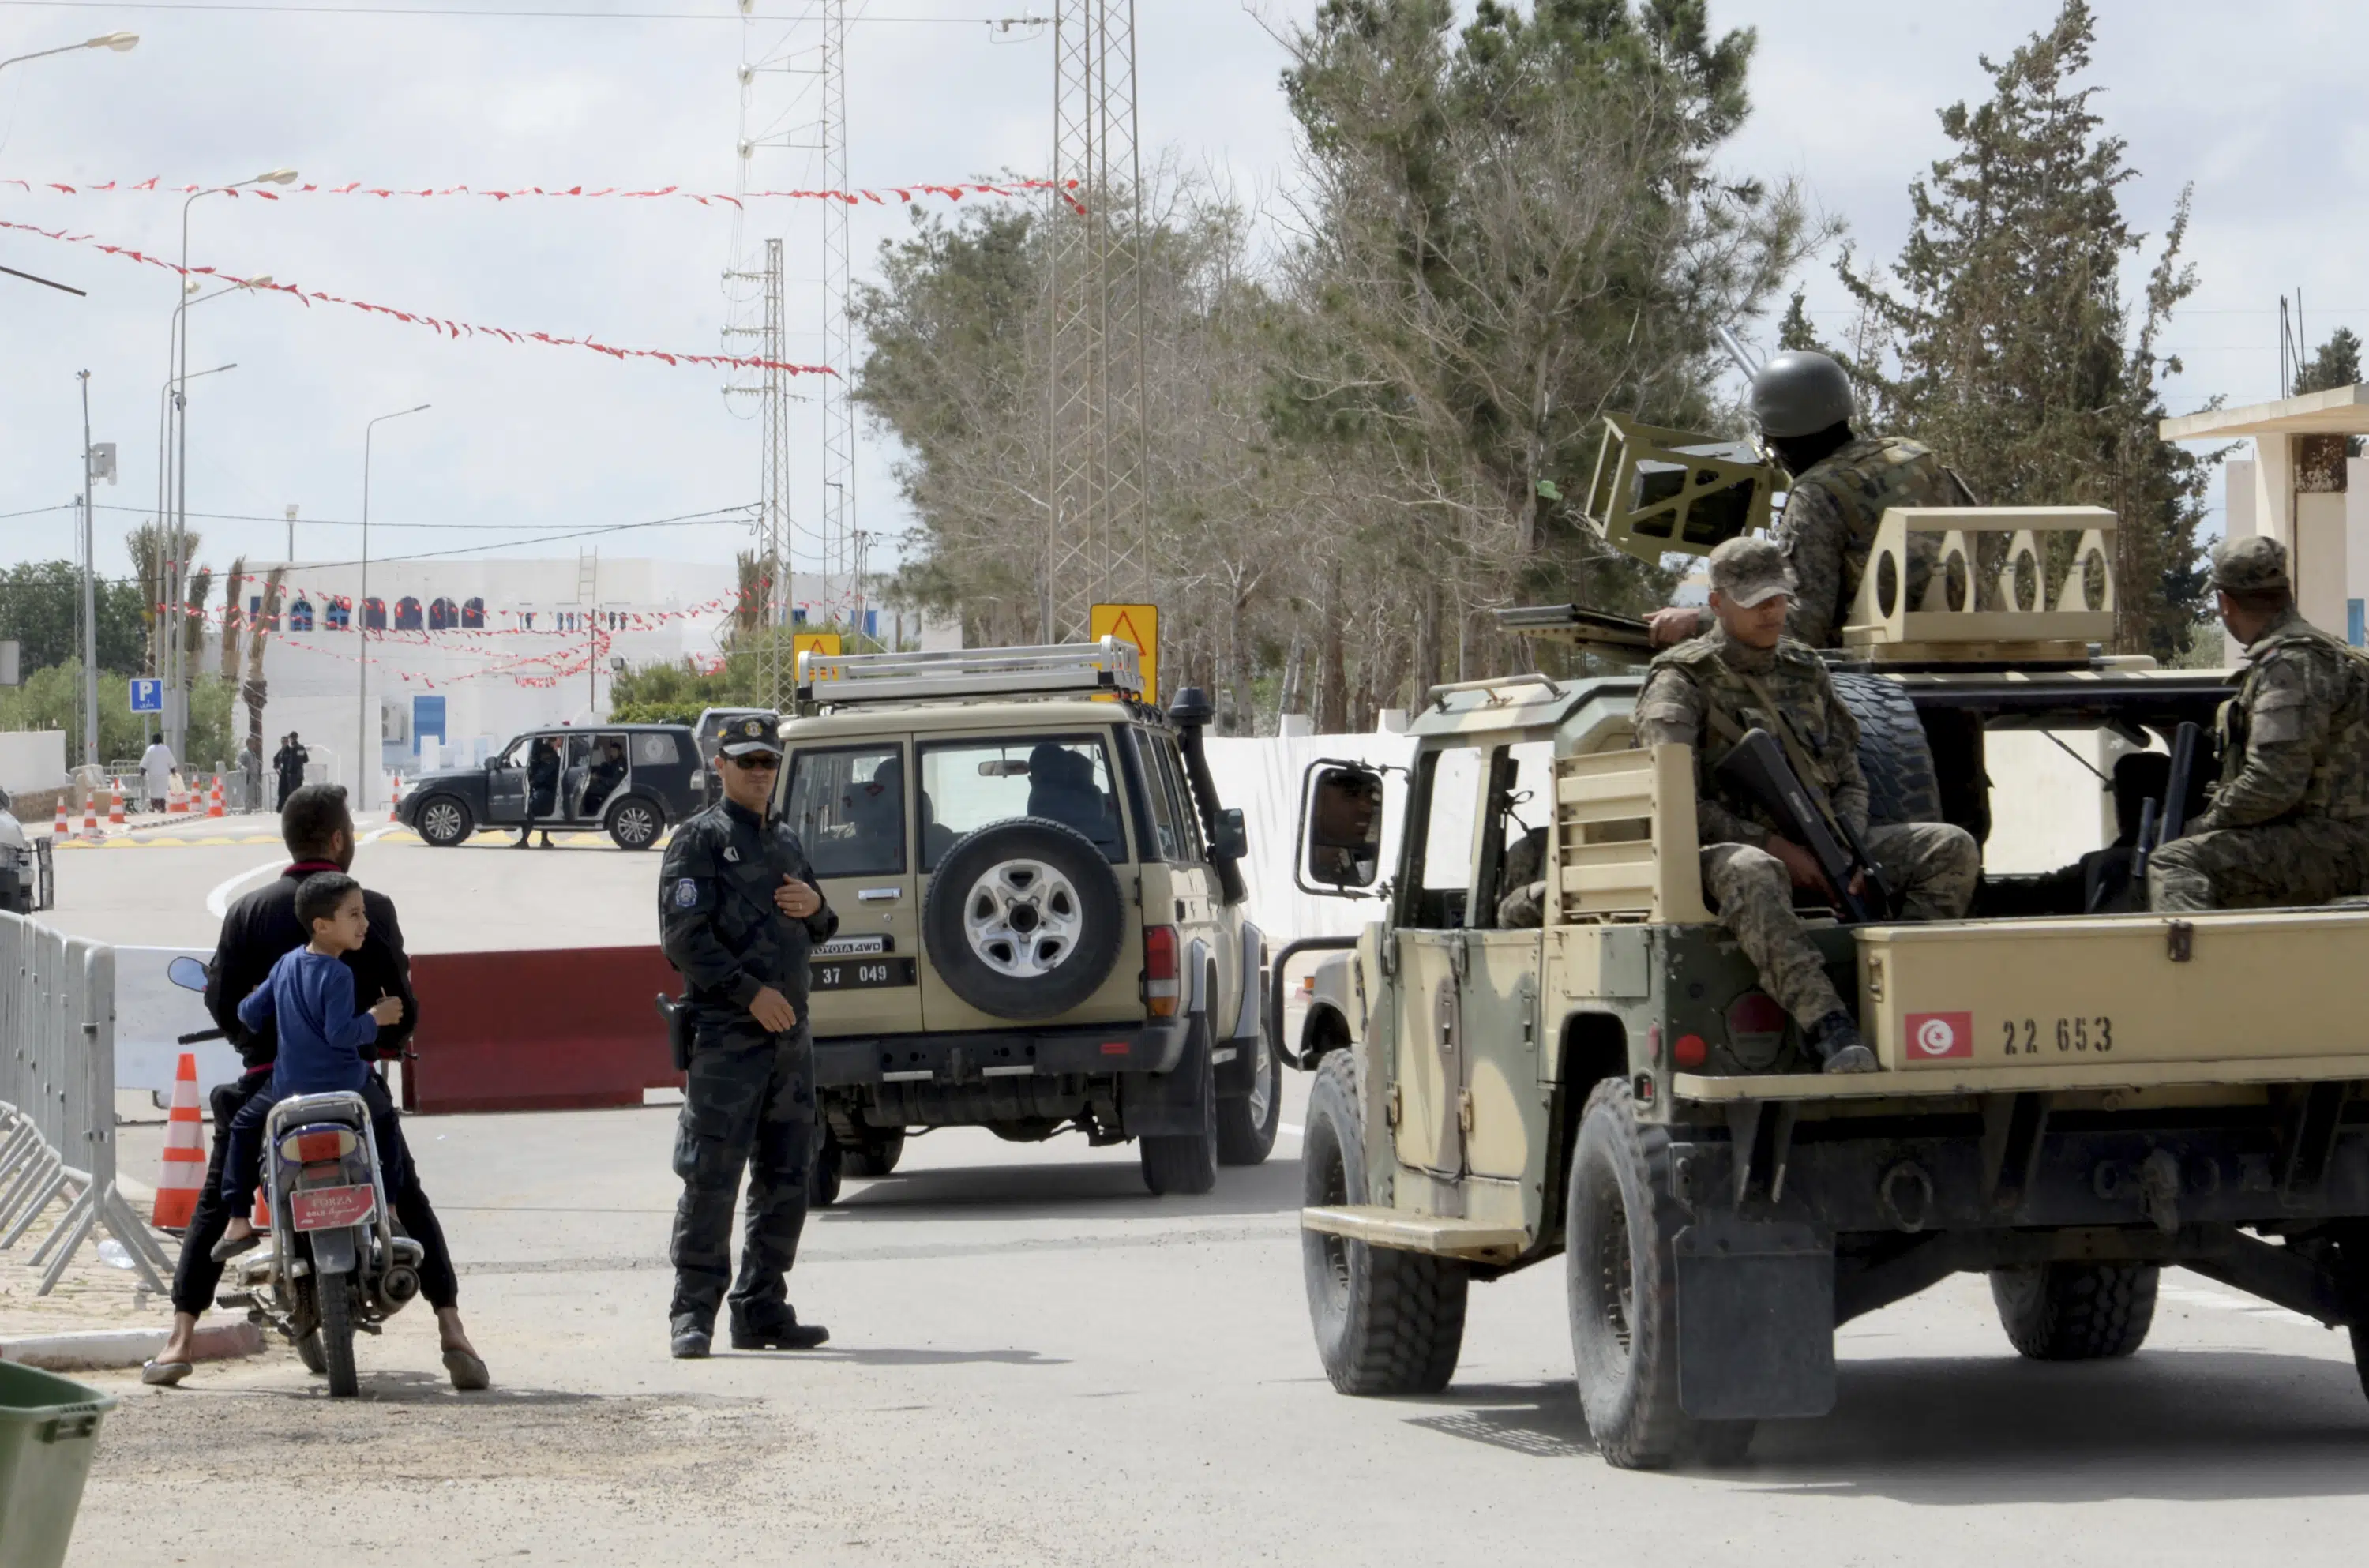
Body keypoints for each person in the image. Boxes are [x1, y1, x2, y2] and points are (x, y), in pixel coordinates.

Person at [142, 783, 485, 1390]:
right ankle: (453, 1330)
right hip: (350, 1083)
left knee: (216, 1199)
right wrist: (382, 1033)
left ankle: (179, 1339)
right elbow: (400, 1005)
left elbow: (227, 1003)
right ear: (338, 839)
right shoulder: (368, 908)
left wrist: (257, 1043)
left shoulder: (248, 912)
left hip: (270, 1084)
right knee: (406, 1190)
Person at [1633, 536, 1982, 1074]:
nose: (1772, 612)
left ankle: (1907, 993)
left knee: (1950, 847)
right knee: (1753, 870)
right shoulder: (1681, 680)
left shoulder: (1805, 669)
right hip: (1715, 852)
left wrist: (1848, 849)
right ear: (1718, 603)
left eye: (1779, 598)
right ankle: (1829, 1026)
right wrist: (1774, 846)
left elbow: (1849, 775)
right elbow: (1672, 799)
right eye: (1756, 602)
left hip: (1825, 845)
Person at [657, 713, 838, 1360]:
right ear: (721, 766)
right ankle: (692, 1313)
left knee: (788, 1176)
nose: (760, 772)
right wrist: (748, 992)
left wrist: (818, 909)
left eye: (768, 762)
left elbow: (821, 920)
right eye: (748, 761)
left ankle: (762, 1308)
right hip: (729, 1036)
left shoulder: (784, 839)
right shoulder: (699, 841)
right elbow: (683, 937)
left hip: (790, 1040)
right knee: (711, 1177)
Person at [1646, 350, 1970, 653]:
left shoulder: (1816, 495)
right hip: (1966, 636)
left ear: (1775, 436)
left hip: (1875, 661)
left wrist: (1700, 620)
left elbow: (1800, 627)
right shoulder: (1913, 454)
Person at [2149, 536, 2369, 911]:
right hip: (2339, 841)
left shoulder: (2290, 665)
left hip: (2338, 845)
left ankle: (2188, 952)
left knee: (2175, 862)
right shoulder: (2322, 654)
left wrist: (2203, 824)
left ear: (2225, 602)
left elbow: (2272, 784)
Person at [208, 872, 407, 1259]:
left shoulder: (285, 965)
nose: (365, 923)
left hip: (288, 1089)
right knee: (384, 1122)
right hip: (346, 1086)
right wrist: (376, 1018)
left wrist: (259, 998)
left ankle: (237, 1221)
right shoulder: (339, 973)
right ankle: (392, 1211)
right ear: (322, 925)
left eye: (363, 913)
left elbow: (248, 1013)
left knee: (244, 1127)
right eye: (354, 914)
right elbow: (340, 1034)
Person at [518, 737, 561, 850]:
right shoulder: (552, 760)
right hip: (547, 791)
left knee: (530, 808)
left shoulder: (551, 762)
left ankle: (524, 840)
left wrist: (532, 781)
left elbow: (540, 778)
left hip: (548, 792)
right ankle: (544, 839)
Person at [141, 731, 175, 814]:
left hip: (153, 775)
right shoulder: (166, 749)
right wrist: (173, 771)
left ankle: (154, 807)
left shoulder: (150, 749)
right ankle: (162, 808)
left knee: (153, 792)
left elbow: (144, 763)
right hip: (164, 775)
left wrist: (142, 773)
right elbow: (171, 762)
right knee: (162, 792)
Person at [272, 733, 309, 811]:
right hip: (299, 773)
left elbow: (291, 762)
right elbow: (305, 760)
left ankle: (294, 809)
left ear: (291, 739)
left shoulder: (291, 749)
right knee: (298, 792)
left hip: (292, 774)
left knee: (292, 792)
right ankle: (299, 808)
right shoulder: (301, 748)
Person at [239, 737, 265, 815]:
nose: (254, 745)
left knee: (252, 794)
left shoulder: (253, 753)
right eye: (252, 743)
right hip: (247, 777)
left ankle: (249, 810)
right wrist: (243, 768)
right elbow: (238, 762)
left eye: (254, 743)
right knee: (248, 794)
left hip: (254, 777)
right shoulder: (244, 753)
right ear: (248, 744)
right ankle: (246, 810)